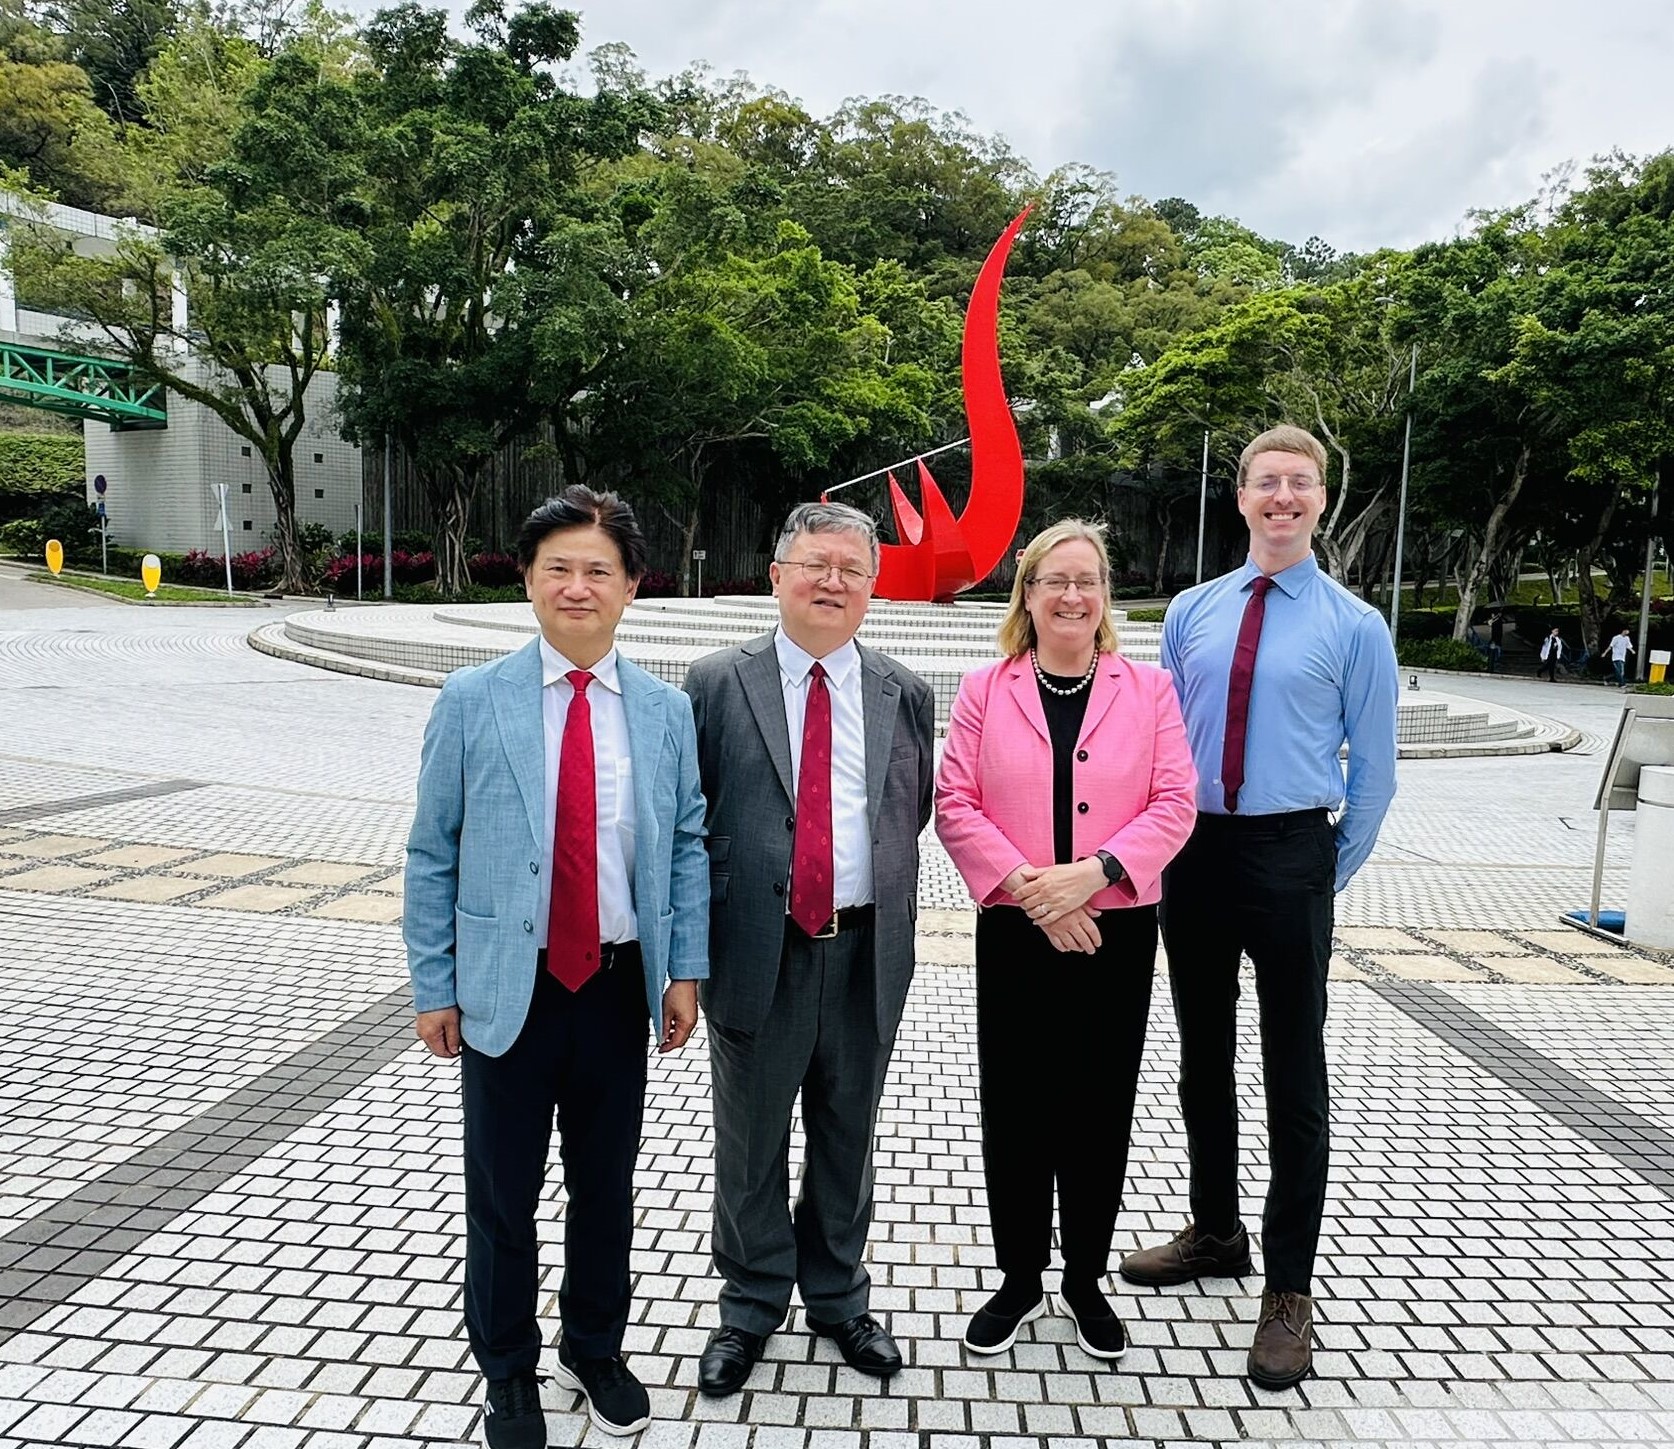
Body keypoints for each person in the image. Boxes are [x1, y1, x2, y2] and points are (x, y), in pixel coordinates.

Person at [405, 488, 709, 1446]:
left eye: (599, 570)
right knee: (502, 1192)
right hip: (509, 989)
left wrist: (684, 970)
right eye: (559, 568)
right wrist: (434, 984)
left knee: (606, 1186)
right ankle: (508, 1368)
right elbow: (432, 851)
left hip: (618, 984)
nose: (578, 586)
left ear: (631, 588)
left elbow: (689, 843)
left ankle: (594, 1345)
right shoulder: (471, 700)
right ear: (529, 578)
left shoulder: (664, 711)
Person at [1120, 425, 1398, 1391]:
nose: (1282, 497)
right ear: (1241, 498)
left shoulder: (1355, 625)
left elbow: (1376, 774)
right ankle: (1216, 1230)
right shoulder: (1192, 611)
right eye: (1265, 482)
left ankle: (1288, 1290)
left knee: (1294, 1072)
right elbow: (1163, 744)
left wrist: (1322, 867)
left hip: (1290, 850)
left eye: (1300, 483)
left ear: (1321, 499)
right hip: (1193, 850)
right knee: (1202, 1056)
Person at [684, 500, 935, 1397]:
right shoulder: (715, 681)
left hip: (866, 952)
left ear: (872, 587)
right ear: (777, 573)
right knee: (749, 1143)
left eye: (852, 569)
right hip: (758, 949)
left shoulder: (906, 692)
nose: (833, 581)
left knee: (847, 1134)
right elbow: (689, 824)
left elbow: (916, 813)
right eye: (815, 563)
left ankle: (837, 1295)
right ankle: (750, 1304)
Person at [935, 520, 1197, 1361]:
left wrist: (1095, 874)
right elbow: (955, 802)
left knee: (1097, 1108)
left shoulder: (1148, 690)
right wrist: (1035, 892)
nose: (1072, 596)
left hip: (1114, 933)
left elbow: (1175, 803)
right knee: (1016, 1107)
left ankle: (1084, 1277)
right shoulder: (986, 687)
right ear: (1028, 591)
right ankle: (1019, 1276)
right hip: (1016, 929)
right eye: (1055, 580)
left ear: (1105, 595)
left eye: (1087, 580)